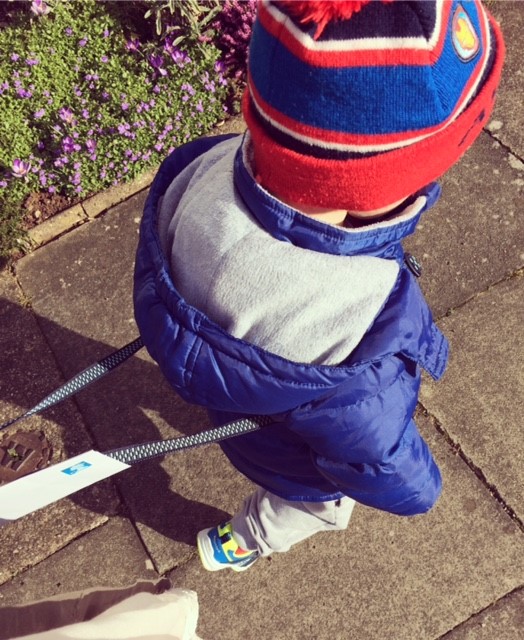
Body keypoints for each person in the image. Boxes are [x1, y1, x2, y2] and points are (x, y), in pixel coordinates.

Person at [133, 0, 504, 572]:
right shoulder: (356, 340)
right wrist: (422, 488)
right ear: (379, 185)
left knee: (257, 415)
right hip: (296, 457)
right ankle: (250, 538)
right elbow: (378, 455)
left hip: (235, 391)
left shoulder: (200, 173)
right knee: (312, 505)